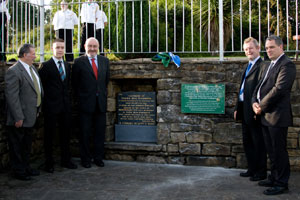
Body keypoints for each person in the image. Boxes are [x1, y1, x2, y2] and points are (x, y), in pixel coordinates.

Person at [252, 35, 296, 195]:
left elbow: (279, 89)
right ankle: (274, 177)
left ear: (281, 47)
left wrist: (261, 106)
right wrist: (253, 102)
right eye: (267, 47)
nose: (268, 50)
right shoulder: (268, 64)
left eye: (272, 47)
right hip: (265, 115)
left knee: (279, 151)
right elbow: (259, 86)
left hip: (277, 116)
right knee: (270, 150)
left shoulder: (287, 65)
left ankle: (281, 183)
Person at [38, 39, 77, 173]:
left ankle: (66, 160)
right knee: (49, 135)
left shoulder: (67, 65)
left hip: (65, 107)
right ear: (52, 49)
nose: (60, 50)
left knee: (65, 135)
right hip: (51, 107)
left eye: (62, 47)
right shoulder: (45, 66)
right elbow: (41, 87)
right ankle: (49, 163)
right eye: (57, 48)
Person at [5, 44, 42, 181]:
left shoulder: (32, 68)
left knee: (26, 146)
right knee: (17, 147)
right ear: (25, 55)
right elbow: (12, 97)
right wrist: (18, 117)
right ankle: (19, 171)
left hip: (30, 116)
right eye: (33, 53)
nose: (35, 56)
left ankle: (26, 167)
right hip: (19, 118)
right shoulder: (13, 71)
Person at [72, 37, 110, 168]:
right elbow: (75, 84)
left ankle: (98, 158)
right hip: (85, 104)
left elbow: (105, 81)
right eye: (90, 46)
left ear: (98, 47)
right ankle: (85, 159)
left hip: (100, 104)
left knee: (99, 133)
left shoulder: (105, 61)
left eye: (95, 46)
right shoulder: (78, 62)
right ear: (84, 46)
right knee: (85, 133)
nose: (92, 49)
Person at [234, 37, 267, 182]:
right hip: (243, 108)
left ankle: (260, 172)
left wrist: (257, 108)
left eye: (251, 48)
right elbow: (241, 89)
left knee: (258, 142)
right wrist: (237, 107)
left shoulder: (262, 66)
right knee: (247, 141)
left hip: (254, 109)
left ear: (258, 48)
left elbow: (262, 89)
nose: (249, 51)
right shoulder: (247, 66)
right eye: (246, 49)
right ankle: (251, 169)